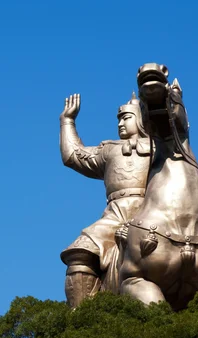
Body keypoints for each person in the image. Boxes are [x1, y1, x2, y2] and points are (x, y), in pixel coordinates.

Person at [59, 93, 151, 308]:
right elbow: (73, 155)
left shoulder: (160, 148)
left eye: (126, 117)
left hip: (153, 210)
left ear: (141, 118)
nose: (120, 123)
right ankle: (81, 314)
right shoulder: (110, 150)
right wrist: (67, 121)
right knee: (80, 250)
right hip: (116, 214)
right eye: (118, 119)